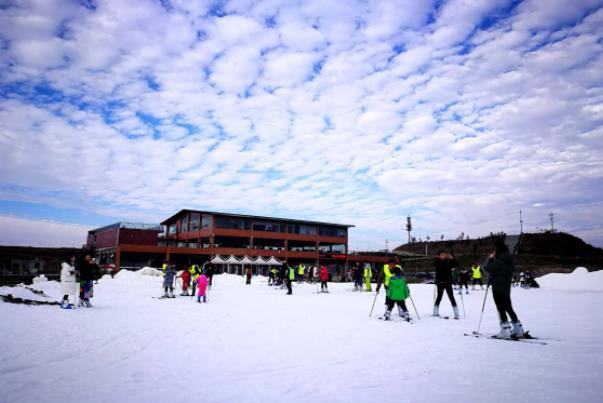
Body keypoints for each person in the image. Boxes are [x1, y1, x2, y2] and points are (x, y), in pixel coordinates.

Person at [485, 242, 527, 339]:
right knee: (508, 307)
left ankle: (505, 330)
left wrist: (491, 258)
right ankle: (518, 329)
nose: (494, 252)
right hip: (506, 287)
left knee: (500, 308)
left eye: (495, 250)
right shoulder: (509, 261)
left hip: (497, 287)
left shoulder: (499, 261)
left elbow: (488, 268)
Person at [433, 250, 460, 319]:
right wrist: (438, 259)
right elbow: (435, 264)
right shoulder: (437, 262)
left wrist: (452, 258)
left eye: (444, 254)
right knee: (439, 297)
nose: (443, 255)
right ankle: (435, 312)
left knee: (451, 297)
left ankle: (456, 313)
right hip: (440, 282)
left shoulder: (448, 261)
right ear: (439, 255)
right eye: (441, 254)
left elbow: (456, 264)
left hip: (448, 282)